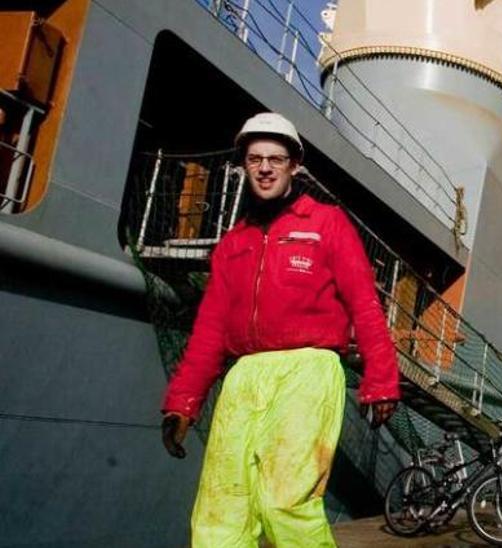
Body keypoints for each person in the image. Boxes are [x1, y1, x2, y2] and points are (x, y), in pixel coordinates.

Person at [159, 113, 400, 547]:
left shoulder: (326, 223)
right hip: (244, 377)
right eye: (255, 159)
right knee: (220, 508)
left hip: (308, 370)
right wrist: (183, 402)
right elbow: (210, 331)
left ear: (294, 165)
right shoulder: (234, 244)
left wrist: (381, 381)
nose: (265, 167)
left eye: (276, 158)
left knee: (285, 502)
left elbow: (365, 305)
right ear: (244, 165)